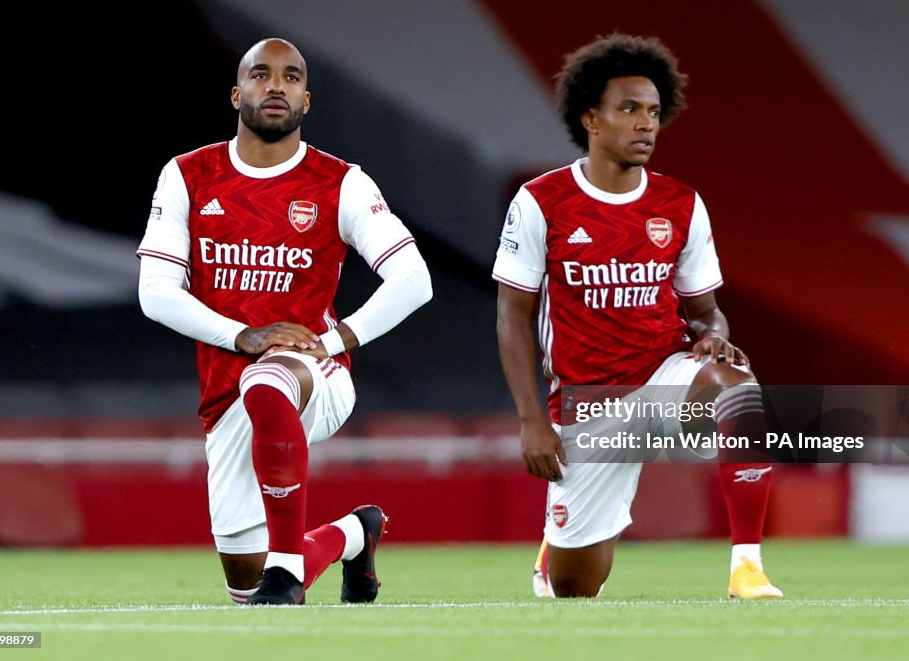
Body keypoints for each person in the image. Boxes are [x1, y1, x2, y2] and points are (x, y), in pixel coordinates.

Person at [137, 38, 433, 605]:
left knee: (268, 379)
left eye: (291, 77)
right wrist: (241, 336)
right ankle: (353, 535)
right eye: (261, 74)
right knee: (249, 598)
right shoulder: (188, 176)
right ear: (236, 93)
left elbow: (414, 280)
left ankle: (283, 571)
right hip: (225, 392)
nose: (276, 85)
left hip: (314, 378)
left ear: (306, 99)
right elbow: (155, 293)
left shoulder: (340, 182)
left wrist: (336, 339)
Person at [493, 34, 782, 599]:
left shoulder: (680, 204)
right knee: (574, 590)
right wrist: (531, 420)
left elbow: (705, 313)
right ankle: (558, 549)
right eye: (628, 109)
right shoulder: (540, 201)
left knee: (739, 393)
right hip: (589, 403)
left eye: (653, 111)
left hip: (664, 375)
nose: (646, 123)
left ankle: (747, 567)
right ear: (591, 120)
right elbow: (513, 313)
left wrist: (714, 339)